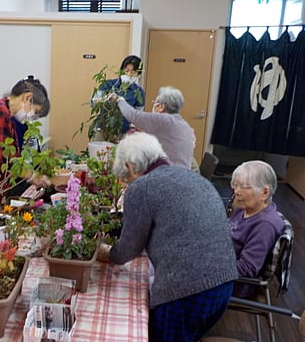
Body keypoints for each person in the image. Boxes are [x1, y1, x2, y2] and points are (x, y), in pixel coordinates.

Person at [98, 132, 237, 342]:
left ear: (130, 166)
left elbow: (129, 248)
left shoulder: (141, 187)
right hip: (224, 285)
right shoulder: (192, 177)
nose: (128, 184)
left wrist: (105, 254)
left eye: (126, 179)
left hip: (186, 292)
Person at [228, 160, 284, 298]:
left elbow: (247, 268)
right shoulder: (244, 209)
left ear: (265, 193)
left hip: (232, 283)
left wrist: (207, 263)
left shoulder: (265, 225)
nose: (237, 191)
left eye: (244, 187)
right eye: (235, 185)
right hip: (220, 261)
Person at [109, 85, 195, 169]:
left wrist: (119, 100)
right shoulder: (185, 125)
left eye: (155, 103)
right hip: (184, 174)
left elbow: (132, 115)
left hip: (167, 174)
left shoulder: (162, 119)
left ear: (161, 107)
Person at [95, 55, 145, 134]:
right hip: (103, 128)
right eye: (127, 70)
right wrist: (106, 98)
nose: (129, 74)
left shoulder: (139, 91)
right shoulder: (108, 84)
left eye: (133, 72)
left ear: (138, 74)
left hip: (124, 131)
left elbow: (138, 115)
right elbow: (93, 102)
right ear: (121, 70)